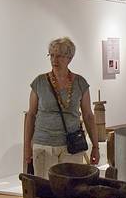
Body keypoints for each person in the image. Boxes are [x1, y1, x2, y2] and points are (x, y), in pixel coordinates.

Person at [25, 37, 99, 178]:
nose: (54, 60)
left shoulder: (80, 83)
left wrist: (95, 146)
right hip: (44, 145)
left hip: (72, 145)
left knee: (71, 190)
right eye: (52, 55)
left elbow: (88, 115)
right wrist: (27, 148)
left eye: (59, 56)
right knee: (46, 189)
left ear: (69, 58)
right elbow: (31, 115)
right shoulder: (39, 82)